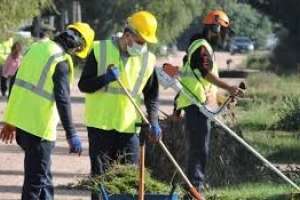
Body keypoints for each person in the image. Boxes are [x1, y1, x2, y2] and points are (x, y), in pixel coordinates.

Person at [0, 22, 95, 200]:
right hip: (40, 130)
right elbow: (63, 99)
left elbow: (16, 83)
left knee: (44, 178)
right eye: (78, 50)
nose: (75, 54)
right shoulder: (60, 61)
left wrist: (11, 120)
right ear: (77, 44)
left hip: (23, 126)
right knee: (34, 185)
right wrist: (71, 133)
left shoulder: (36, 47)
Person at [78, 11, 161, 200]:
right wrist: (105, 79)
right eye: (140, 41)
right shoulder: (100, 49)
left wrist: (154, 120)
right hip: (100, 127)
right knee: (101, 182)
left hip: (129, 129)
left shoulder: (148, 60)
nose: (142, 46)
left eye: (145, 43)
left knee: (127, 181)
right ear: (127, 35)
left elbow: (152, 96)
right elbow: (84, 85)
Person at [170, 10, 244, 198]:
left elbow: (204, 83)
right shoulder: (202, 47)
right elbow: (204, 73)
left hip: (199, 105)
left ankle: (193, 189)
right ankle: (194, 190)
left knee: (199, 149)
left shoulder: (200, 47)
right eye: (224, 32)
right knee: (199, 149)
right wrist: (228, 87)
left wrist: (221, 99)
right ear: (216, 28)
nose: (224, 37)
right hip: (196, 106)